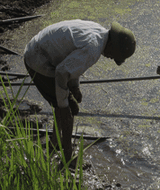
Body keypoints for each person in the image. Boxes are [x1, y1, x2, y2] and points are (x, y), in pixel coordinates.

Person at [24, 19, 136, 165]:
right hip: (38, 59)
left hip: (40, 48)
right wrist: (64, 104)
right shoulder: (93, 49)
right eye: (114, 56)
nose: (111, 58)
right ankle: (68, 155)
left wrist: (75, 87)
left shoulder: (99, 31)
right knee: (67, 109)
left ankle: (56, 141)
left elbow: (71, 59)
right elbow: (62, 72)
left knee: (62, 104)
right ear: (113, 46)